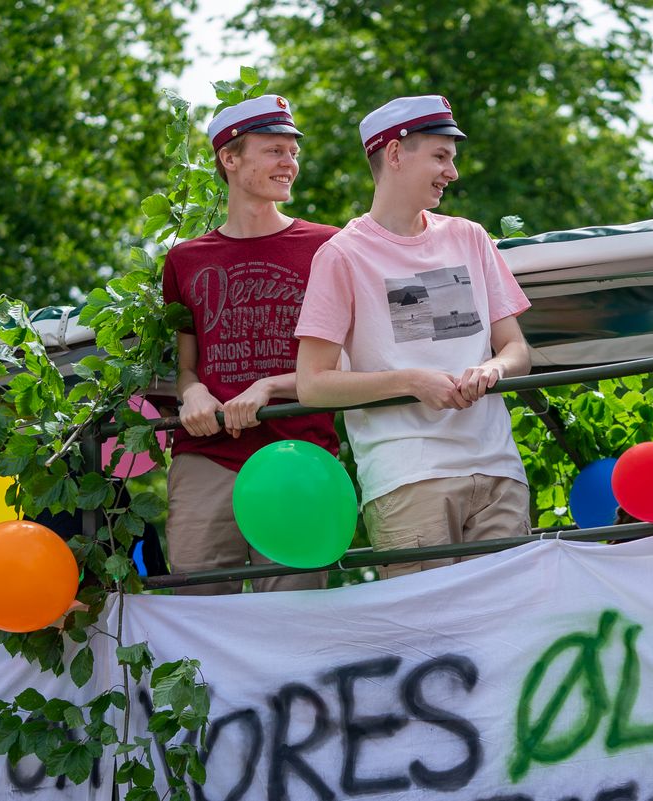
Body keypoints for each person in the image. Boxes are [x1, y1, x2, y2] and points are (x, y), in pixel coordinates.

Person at [295, 95, 532, 579]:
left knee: (510, 615)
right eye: (440, 157)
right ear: (395, 153)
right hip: (408, 477)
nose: (452, 173)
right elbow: (312, 384)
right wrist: (411, 382)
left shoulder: (472, 237)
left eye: (452, 159)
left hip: (499, 471)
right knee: (431, 625)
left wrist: (493, 367)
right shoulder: (341, 255)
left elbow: (516, 349)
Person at [161, 94, 341, 595]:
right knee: (198, 613)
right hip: (207, 455)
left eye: (293, 152)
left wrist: (267, 387)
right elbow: (188, 366)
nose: (290, 163)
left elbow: (346, 361)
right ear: (230, 158)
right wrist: (193, 392)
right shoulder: (184, 261)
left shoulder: (329, 246)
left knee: (292, 618)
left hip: (299, 451)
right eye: (275, 151)